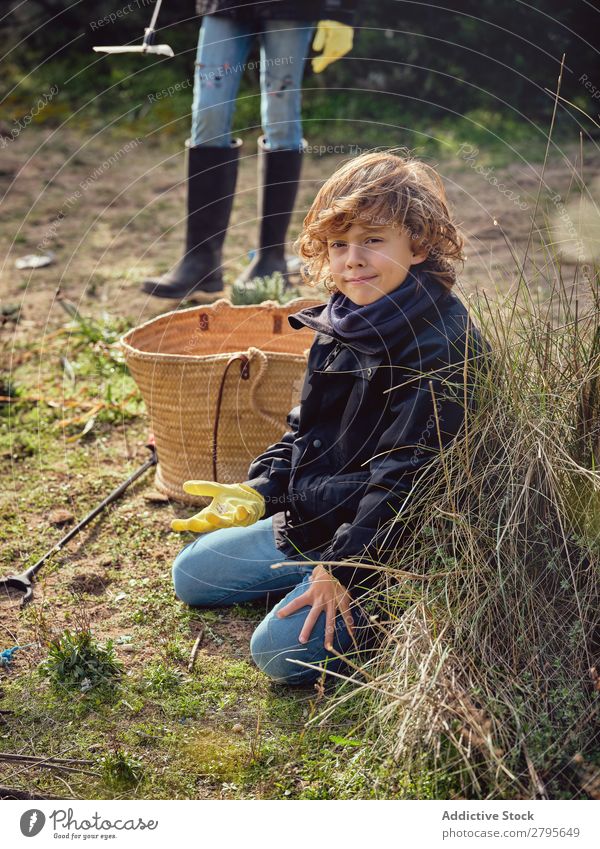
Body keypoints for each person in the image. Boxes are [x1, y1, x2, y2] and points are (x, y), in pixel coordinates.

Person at [170, 149, 487, 685]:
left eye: (373, 240)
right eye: (339, 244)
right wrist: (263, 489)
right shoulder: (342, 319)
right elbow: (306, 429)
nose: (352, 259)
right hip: (322, 514)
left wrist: (344, 569)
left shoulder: (440, 344)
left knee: (275, 654)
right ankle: (306, 572)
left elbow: (408, 479)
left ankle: (383, 604)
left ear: (420, 243)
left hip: (393, 540)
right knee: (191, 574)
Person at [142, 2, 356, 301]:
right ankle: (201, 261)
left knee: (281, 111)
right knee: (208, 112)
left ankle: (270, 261)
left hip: (291, 8)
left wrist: (339, 11)